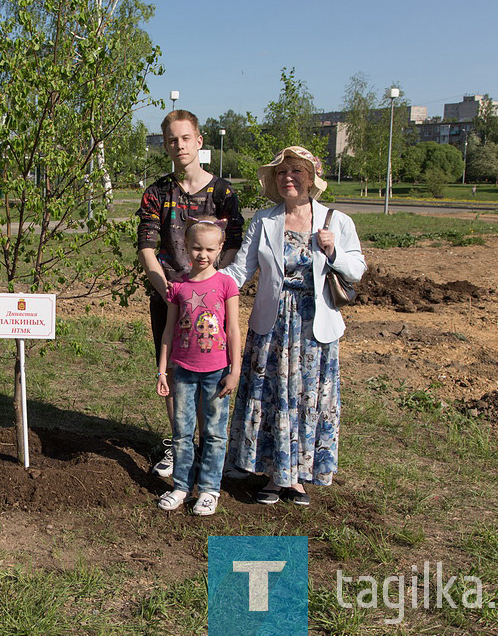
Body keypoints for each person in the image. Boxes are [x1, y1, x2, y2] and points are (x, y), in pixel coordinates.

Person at [222, 146, 366, 506]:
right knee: (271, 396)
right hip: (271, 326)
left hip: (314, 328)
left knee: (307, 399)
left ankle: (298, 478)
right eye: (282, 172)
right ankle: (272, 475)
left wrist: (333, 252)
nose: (288, 178)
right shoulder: (265, 220)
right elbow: (241, 270)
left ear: (311, 179)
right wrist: (202, 284)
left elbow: (357, 270)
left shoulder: (336, 221)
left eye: (296, 172)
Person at [136, 109, 244, 478]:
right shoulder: (157, 193)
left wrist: (214, 287)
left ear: (199, 141)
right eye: (171, 140)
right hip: (170, 303)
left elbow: (234, 247)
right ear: (165, 145)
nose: (179, 145)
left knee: (211, 373)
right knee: (176, 374)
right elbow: (146, 246)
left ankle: (208, 448)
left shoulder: (223, 193)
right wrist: (164, 288)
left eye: (185, 138)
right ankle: (180, 445)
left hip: (213, 305)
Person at [155, 218, 240, 516]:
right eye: (196, 248)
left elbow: (233, 331)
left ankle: (208, 490)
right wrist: (162, 370)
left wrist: (235, 370)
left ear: (219, 249)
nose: (202, 255)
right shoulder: (178, 286)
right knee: (182, 430)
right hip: (183, 371)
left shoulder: (227, 284)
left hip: (217, 372)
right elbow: (169, 330)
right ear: (185, 247)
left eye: (209, 249)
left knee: (215, 433)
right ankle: (180, 486)